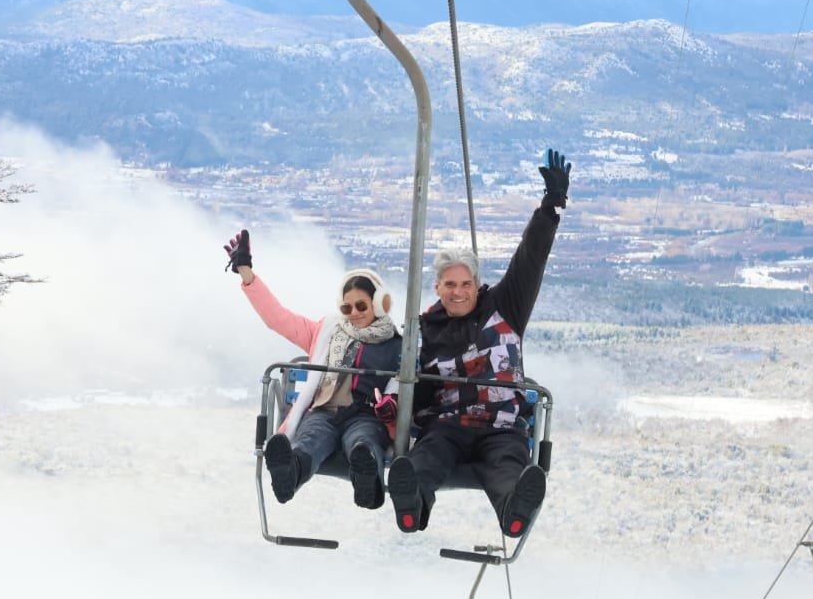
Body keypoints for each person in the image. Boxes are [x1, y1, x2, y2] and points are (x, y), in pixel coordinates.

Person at [387, 148, 571, 536]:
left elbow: (530, 259)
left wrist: (552, 204)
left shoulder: (504, 307)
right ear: (437, 287)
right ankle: (411, 504)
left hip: (500, 423)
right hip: (448, 424)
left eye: (466, 284)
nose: (458, 292)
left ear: (477, 284)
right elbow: (417, 387)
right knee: (427, 458)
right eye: (450, 284)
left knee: (507, 464)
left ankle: (515, 510)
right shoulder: (425, 329)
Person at [225, 229, 402, 508]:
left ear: (379, 304)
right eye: (347, 308)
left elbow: (401, 384)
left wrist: (391, 406)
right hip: (324, 411)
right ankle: (290, 473)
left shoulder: (395, 344)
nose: (354, 313)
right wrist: (246, 272)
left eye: (361, 305)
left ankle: (367, 480)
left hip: (365, 414)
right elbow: (278, 319)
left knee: (363, 442)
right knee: (310, 439)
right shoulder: (325, 333)